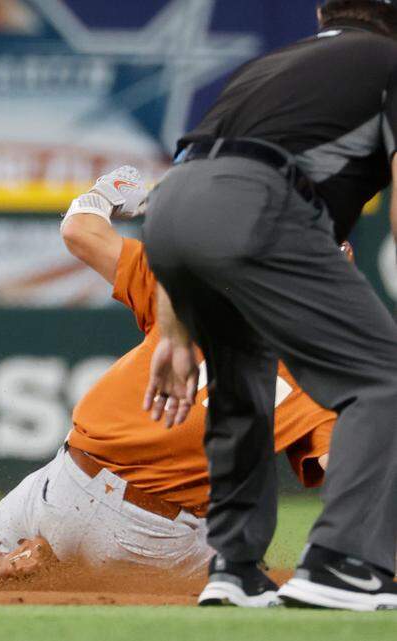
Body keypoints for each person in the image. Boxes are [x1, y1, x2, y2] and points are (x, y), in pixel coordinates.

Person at [0, 169, 336, 603]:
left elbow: (79, 229)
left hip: (60, 487)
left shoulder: (196, 288)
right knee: (249, 575)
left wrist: (105, 193)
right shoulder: (328, 373)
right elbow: (351, 476)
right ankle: (47, 561)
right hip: (151, 540)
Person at [142, 0, 397, 610]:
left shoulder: (274, 65)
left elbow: (188, 167)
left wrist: (174, 332)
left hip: (171, 211)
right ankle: (344, 562)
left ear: (323, 13)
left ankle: (235, 569)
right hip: (255, 204)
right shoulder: (389, 60)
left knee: (240, 387)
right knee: (383, 378)